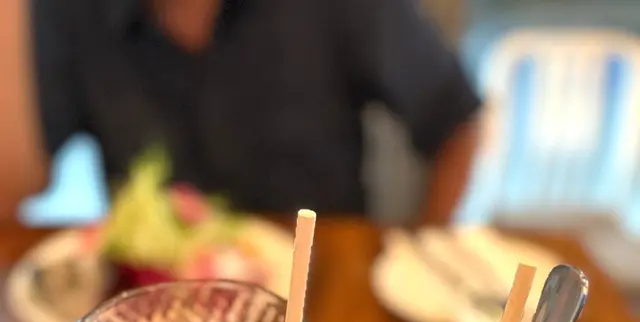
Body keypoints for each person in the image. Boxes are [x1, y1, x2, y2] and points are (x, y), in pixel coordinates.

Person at [1, 0, 480, 222]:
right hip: (146, 321)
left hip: (319, 300)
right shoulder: (69, 11)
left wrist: (421, 253)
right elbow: (16, 184)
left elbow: (456, 121)